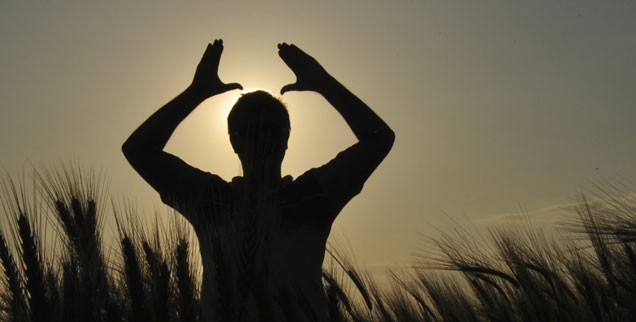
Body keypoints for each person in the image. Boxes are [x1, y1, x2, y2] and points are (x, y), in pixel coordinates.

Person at [122, 39, 394, 321]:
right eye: (250, 131)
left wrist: (325, 83)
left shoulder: (315, 195)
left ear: (286, 140)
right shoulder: (209, 198)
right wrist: (195, 93)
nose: (262, 139)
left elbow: (379, 139)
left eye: (270, 130)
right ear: (233, 142)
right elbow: (138, 151)